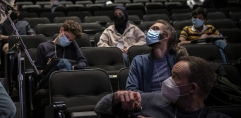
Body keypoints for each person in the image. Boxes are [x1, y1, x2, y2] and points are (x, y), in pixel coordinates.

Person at [95, 56, 231, 118]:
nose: (168, 81)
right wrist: (117, 97)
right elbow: (100, 108)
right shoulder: (153, 99)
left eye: (175, 76)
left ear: (192, 88)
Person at [33, 20, 87, 118]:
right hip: (47, 80)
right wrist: (51, 67)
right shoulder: (43, 47)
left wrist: (72, 67)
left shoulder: (72, 45)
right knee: (62, 62)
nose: (68, 41)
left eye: (71, 40)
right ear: (61, 30)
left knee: (65, 63)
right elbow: (39, 72)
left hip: (68, 79)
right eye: (67, 37)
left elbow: (83, 63)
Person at [126, 20, 188, 93]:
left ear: (166, 36)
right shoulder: (138, 61)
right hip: (149, 102)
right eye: (150, 30)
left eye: (155, 29)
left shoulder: (178, 57)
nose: (150, 32)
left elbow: (187, 86)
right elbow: (131, 90)